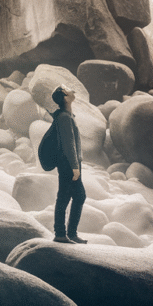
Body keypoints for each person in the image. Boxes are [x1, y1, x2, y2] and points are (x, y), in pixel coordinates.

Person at [50, 85, 86, 244]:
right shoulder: (64, 117)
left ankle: (71, 233)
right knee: (64, 199)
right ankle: (60, 234)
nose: (73, 91)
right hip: (68, 165)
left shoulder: (67, 116)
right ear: (64, 97)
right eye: (68, 89)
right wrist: (75, 167)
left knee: (79, 196)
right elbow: (68, 144)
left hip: (70, 164)